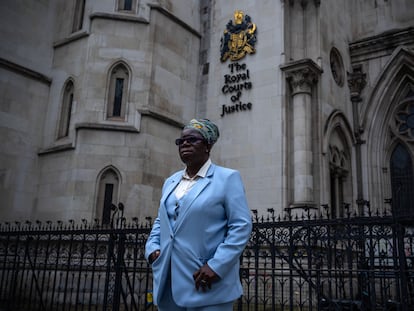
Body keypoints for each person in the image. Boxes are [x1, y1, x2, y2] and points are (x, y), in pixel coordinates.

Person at [145, 118, 252, 311]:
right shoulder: (171, 182)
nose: (184, 143)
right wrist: (152, 249)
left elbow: (241, 226)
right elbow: (162, 221)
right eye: (181, 141)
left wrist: (217, 266)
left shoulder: (227, 178)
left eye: (192, 139)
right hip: (168, 281)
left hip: (206, 282)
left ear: (208, 145)